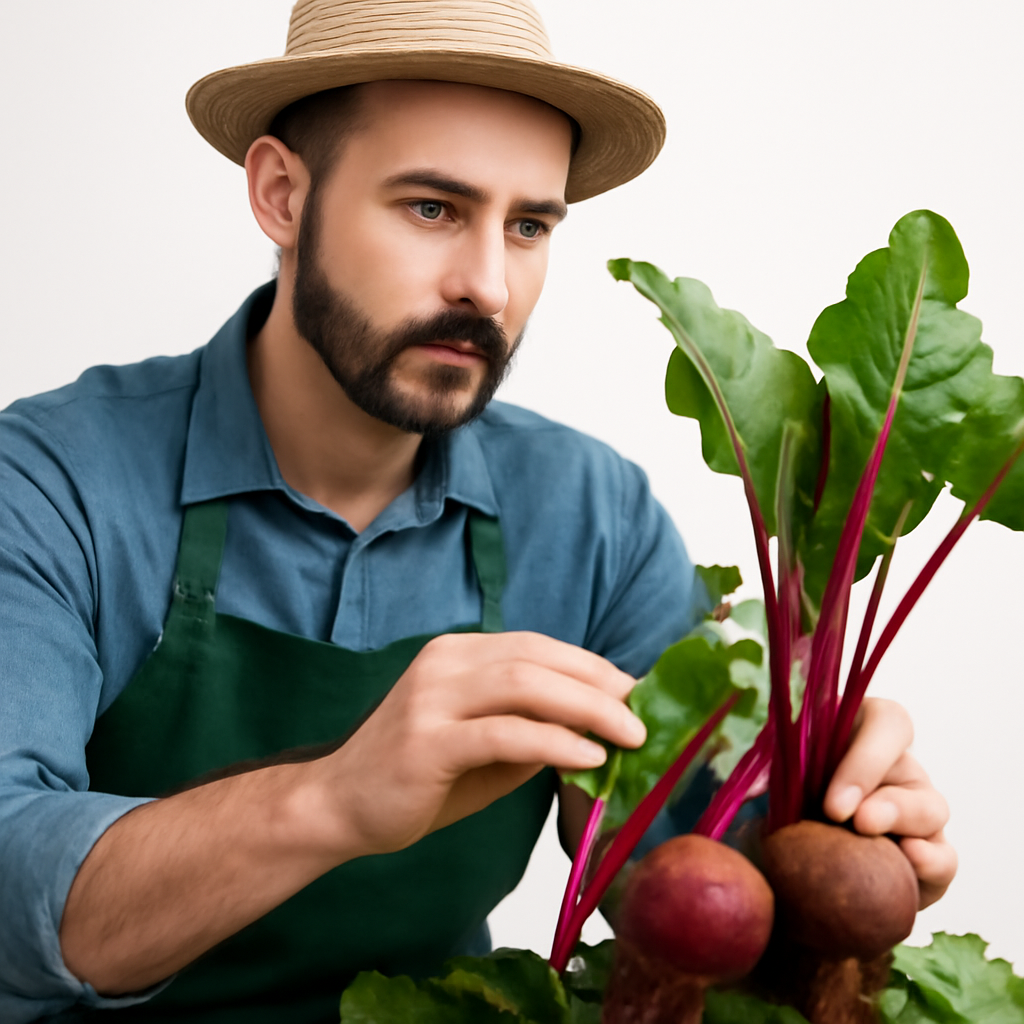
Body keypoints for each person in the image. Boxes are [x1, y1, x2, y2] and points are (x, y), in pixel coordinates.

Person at [0, 1, 956, 1021]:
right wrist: (333, 797)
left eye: (529, 225)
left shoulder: (593, 516)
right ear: (282, 194)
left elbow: (685, 870)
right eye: (431, 208)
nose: (489, 285)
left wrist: (836, 828)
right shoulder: (54, 479)